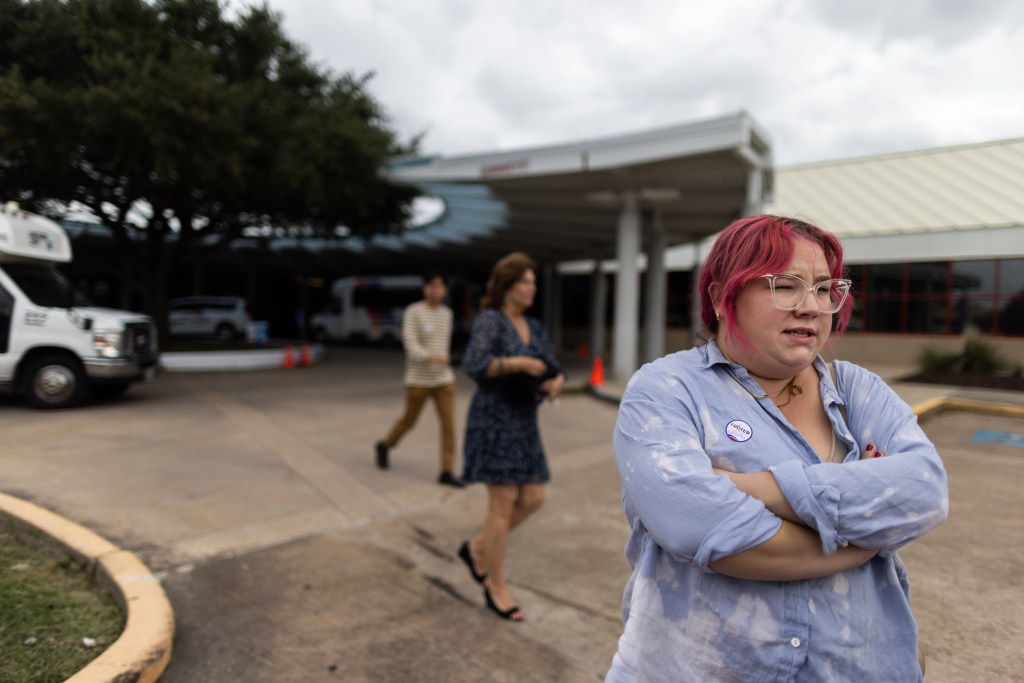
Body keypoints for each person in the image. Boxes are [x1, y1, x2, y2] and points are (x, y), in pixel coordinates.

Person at [605, 215, 948, 682]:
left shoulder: (857, 390)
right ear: (720, 297)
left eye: (825, 289)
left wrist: (753, 487)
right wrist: (862, 539)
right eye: (785, 285)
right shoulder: (666, 390)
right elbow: (702, 528)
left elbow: (926, 491)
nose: (811, 307)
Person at [456, 252, 566, 621]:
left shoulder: (534, 326)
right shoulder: (491, 320)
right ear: (507, 286)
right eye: (525, 282)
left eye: (534, 282)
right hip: (493, 418)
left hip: (524, 419)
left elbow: (552, 364)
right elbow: (473, 363)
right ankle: (495, 586)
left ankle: (477, 548)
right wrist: (517, 363)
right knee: (501, 506)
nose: (532, 288)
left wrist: (556, 380)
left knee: (534, 498)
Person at [375, 271, 463, 488]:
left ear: (445, 290)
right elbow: (410, 344)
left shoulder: (447, 314)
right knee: (409, 420)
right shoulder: (414, 311)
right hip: (418, 380)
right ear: (425, 288)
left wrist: (445, 360)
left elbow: (444, 344)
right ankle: (385, 445)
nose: (435, 289)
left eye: (439, 285)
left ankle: (446, 471)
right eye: (431, 285)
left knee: (449, 426)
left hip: (444, 380)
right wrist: (431, 357)